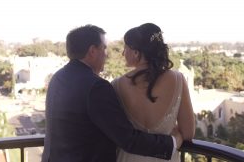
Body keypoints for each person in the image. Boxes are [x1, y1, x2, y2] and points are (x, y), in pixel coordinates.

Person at [41, 24, 182, 162]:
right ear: (92, 51)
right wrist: (172, 143)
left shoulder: (58, 78)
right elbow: (128, 139)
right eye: (104, 48)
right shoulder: (96, 87)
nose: (106, 54)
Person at [112, 23, 195, 162]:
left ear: (136, 52)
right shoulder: (178, 79)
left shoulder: (117, 85)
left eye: (125, 47)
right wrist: (175, 138)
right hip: (166, 156)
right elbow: (188, 133)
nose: (123, 53)